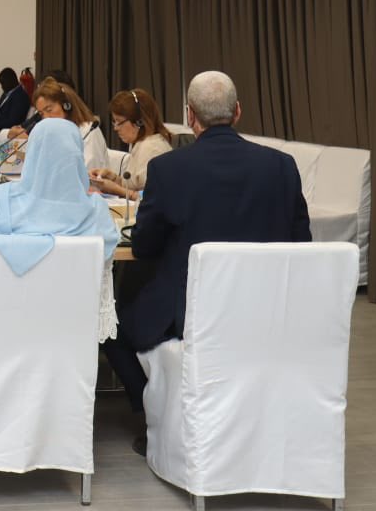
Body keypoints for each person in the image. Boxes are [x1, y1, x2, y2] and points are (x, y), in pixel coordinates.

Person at [103, 71, 311, 453]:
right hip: (267, 311)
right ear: (237, 111)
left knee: (108, 326)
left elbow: (144, 246)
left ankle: (156, 418)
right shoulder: (281, 167)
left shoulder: (169, 170)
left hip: (191, 316)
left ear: (191, 116)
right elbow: (302, 245)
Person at [0, 118, 120, 340]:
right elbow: (107, 256)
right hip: (69, 336)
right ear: (77, 156)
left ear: (32, 152)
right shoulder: (97, 212)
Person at [9, 77, 109, 174]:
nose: (46, 118)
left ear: (67, 106)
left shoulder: (89, 132)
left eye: (49, 110)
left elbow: (87, 174)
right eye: (41, 114)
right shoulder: (52, 133)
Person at [89, 88, 172, 199]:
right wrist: (112, 177)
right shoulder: (142, 144)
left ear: (139, 122)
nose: (115, 128)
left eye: (119, 122)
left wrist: (114, 189)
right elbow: (133, 186)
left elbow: (149, 198)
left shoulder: (151, 148)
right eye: (114, 122)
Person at [0, 67, 31, 138]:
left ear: (11, 81)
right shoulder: (7, 93)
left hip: (5, 132)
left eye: (3, 83)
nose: (2, 86)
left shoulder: (20, 96)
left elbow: (12, 122)